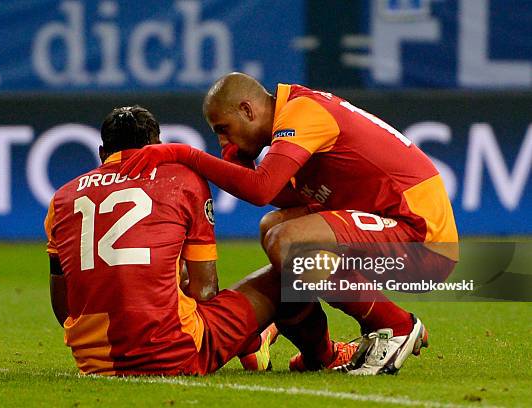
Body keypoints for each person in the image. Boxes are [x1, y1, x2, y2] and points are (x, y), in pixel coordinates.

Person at [119, 73, 459, 375]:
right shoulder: (295, 113)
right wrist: (242, 164)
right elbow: (285, 198)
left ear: (248, 111)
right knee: (273, 228)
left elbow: (261, 188)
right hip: (392, 225)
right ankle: (320, 354)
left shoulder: (303, 112)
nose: (223, 141)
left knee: (288, 241)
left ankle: (396, 325)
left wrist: (186, 154)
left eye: (223, 130)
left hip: (424, 241)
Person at [45, 105, 356, 376]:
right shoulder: (181, 181)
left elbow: (64, 308)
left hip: (92, 360)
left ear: (102, 153)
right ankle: (323, 356)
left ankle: (254, 343)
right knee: (288, 274)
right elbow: (205, 292)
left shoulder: (63, 198)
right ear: (159, 147)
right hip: (173, 352)